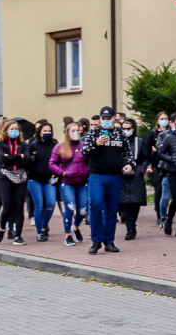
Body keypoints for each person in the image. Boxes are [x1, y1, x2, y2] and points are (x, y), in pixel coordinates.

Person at [81, 106, 135, 254]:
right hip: (97, 175)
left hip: (115, 176)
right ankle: (96, 240)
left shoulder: (120, 134)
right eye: (103, 118)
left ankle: (109, 241)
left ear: (113, 118)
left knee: (111, 210)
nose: (105, 121)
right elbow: (84, 152)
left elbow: (128, 153)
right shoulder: (94, 133)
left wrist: (129, 164)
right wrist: (96, 144)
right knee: (96, 205)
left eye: (108, 118)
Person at [50, 122, 90, 248]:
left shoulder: (85, 146)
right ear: (67, 133)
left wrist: (88, 172)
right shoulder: (60, 147)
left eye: (77, 130)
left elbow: (91, 161)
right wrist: (63, 172)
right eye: (73, 131)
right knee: (70, 208)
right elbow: (52, 163)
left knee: (82, 210)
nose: (76, 133)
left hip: (82, 181)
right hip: (67, 182)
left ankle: (76, 226)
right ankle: (68, 235)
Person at [0, 121, 29, 246]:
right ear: (6, 131)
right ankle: (2, 228)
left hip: (21, 177)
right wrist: (20, 156)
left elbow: (27, 159)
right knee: (7, 206)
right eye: (12, 129)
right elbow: (2, 159)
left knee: (19, 206)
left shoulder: (23, 144)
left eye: (16, 129)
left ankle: (18, 236)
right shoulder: (0, 144)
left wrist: (12, 156)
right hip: (5, 177)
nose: (15, 131)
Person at [25, 122, 57, 242]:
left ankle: (44, 224)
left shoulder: (54, 144)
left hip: (50, 179)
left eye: (49, 131)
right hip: (35, 179)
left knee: (51, 204)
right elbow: (28, 162)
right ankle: (40, 232)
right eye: (45, 131)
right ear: (39, 132)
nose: (47, 133)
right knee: (39, 206)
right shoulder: (33, 145)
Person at [119, 119, 149, 241]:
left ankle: (133, 224)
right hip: (121, 175)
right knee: (125, 202)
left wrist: (140, 170)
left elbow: (146, 158)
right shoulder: (118, 141)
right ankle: (129, 228)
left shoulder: (139, 142)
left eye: (128, 128)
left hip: (136, 175)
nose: (126, 131)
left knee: (136, 202)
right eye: (123, 128)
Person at [144, 112, 169, 224]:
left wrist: (158, 150)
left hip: (167, 165)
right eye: (161, 118)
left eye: (166, 118)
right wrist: (148, 164)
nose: (164, 120)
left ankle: (164, 210)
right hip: (155, 165)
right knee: (158, 189)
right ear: (157, 121)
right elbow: (146, 150)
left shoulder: (170, 133)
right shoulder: (153, 134)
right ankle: (159, 215)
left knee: (167, 191)